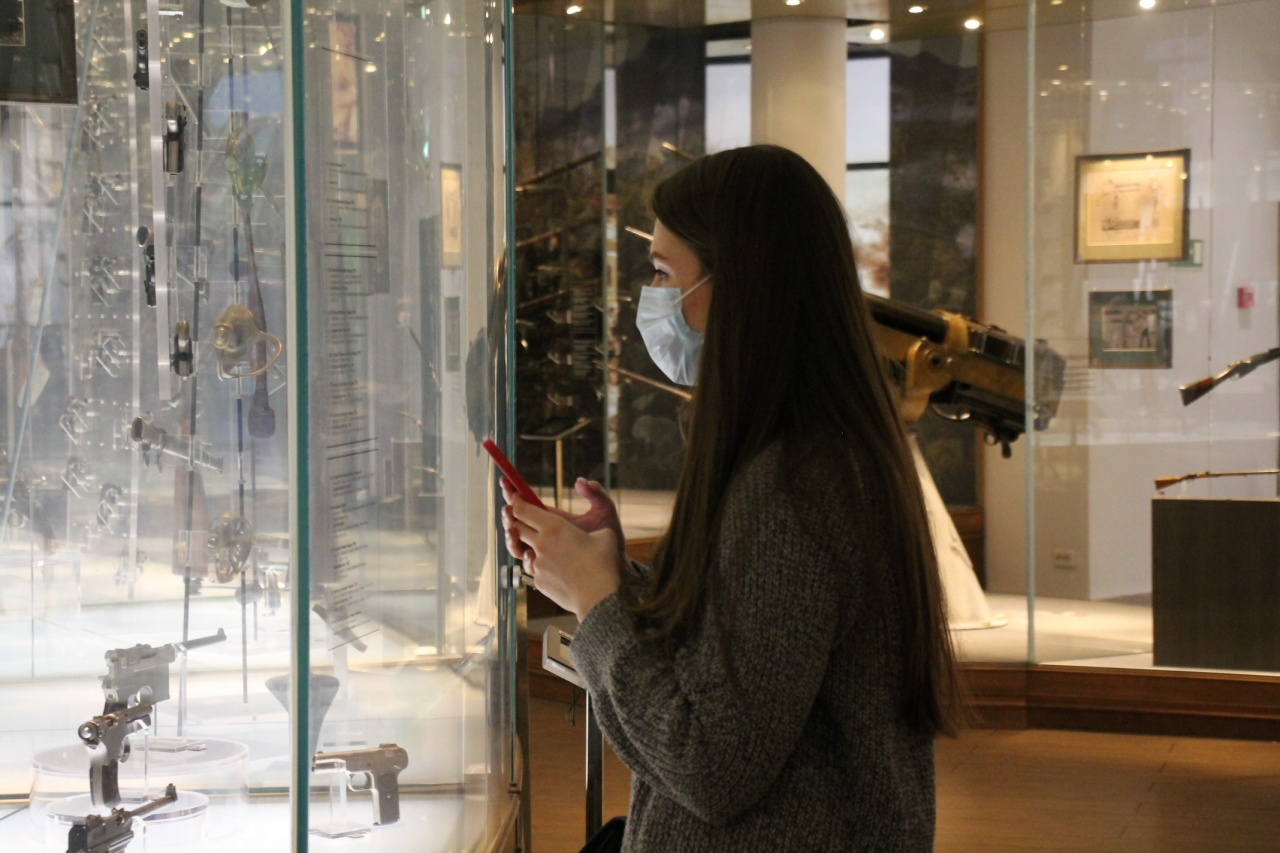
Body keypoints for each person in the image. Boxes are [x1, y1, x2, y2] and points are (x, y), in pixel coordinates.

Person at [502, 145, 961, 852]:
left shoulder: (792, 487)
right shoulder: (814, 457)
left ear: (737, 286)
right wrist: (615, 577)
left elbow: (710, 763)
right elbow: (750, 640)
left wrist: (596, 600)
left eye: (664, 273)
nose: (651, 297)